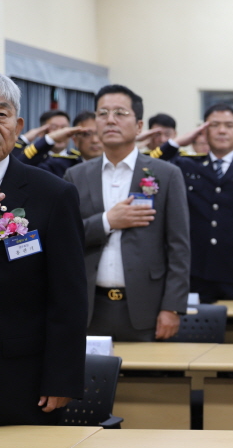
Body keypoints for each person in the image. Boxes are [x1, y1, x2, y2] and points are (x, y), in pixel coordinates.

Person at [0, 70, 87, 425]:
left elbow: (69, 296)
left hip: (17, 376)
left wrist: (62, 377)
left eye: (0, 114)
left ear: (18, 126)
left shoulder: (53, 194)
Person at [64, 85, 191, 341]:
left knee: (148, 381)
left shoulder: (165, 174)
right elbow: (66, 238)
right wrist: (107, 221)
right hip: (89, 307)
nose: (110, 120)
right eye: (103, 113)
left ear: (139, 125)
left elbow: (179, 247)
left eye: (120, 113)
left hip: (148, 308)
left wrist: (172, 307)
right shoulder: (75, 175)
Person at [150, 104, 233, 302]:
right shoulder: (186, 164)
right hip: (194, 271)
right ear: (203, 131)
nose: (221, 130)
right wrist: (176, 143)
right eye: (214, 125)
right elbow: (147, 167)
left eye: (228, 125)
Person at [39, 111, 102, 178]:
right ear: (75, 140)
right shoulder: (60, 166)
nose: (95, 140)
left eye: (99, 133)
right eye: (87, 134)